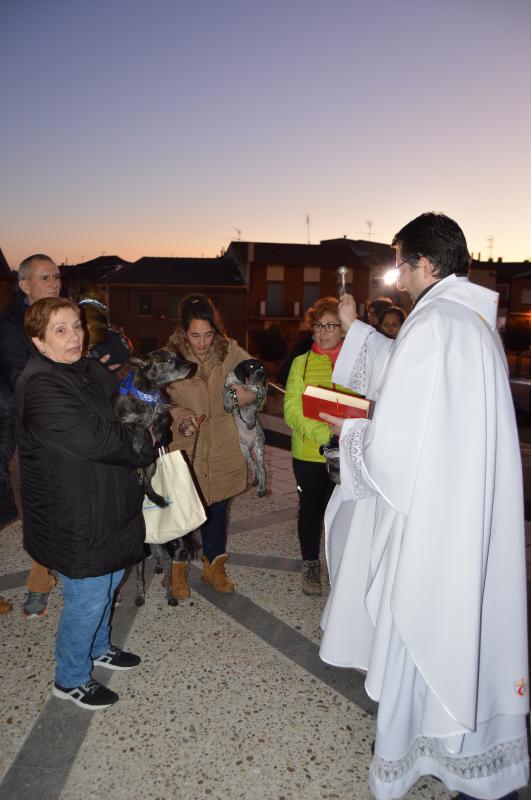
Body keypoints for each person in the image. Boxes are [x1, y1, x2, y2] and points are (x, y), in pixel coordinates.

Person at [319, 213, 528, 800]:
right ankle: (461, 747)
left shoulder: (435, 324)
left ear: (426, 265)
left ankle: (420, 747)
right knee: (465, 622)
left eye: (401, 263)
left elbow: (396, 445)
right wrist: (358, 331)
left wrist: (352, 430)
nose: (398, 276)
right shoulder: (467, 322)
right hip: (461, 506)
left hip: (434, 517)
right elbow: (416, 386)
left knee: (424, 619)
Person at [15, 297, 153, 709]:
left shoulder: (87, 369)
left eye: (76, 325)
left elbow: (127, 404)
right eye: (60, 330)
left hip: (105, 500)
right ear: (39, 341)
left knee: (109, 581)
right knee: (88, 594)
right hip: (72, 513)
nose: (73, 336)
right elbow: (100, 438)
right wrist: (144, 440)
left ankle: (98, 647)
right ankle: (70, 677)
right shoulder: (40, 384)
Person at [164, 294, 256, 597]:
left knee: (217, 511)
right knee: (182, 515)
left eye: (208, 334)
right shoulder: (169, 358)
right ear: (183, 331)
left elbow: (257, 378)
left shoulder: (229, 351)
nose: (202, 343)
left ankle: (213, 568)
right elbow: (158, 402)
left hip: (224, 447)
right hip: (187, 448)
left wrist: (250, 394)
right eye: (195, 335)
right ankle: (176, 572)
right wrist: (181, 415)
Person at [0, 254, 62, 616]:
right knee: (35, 502)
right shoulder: (10, 327)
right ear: (25, 285)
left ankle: (44, 578)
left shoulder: (66, 316)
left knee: (60, 500)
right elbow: (19, 378)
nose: (54, 283)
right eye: (45, 277)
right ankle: (41, 581)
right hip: (18, 423)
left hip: (58, 422)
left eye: (56, 276)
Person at [283, 296, 354, 596]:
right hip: (310, 454)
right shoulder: (301, 363)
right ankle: (311, 565)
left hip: (349, 453)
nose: (324, 332)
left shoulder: (356, 363)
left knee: (343, 514)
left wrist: (348, 433)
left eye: (331, 325)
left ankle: (342, 568)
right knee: (311, 511)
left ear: (344, 329)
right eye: (319, 325)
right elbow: (291, 410)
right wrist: (326, 435)